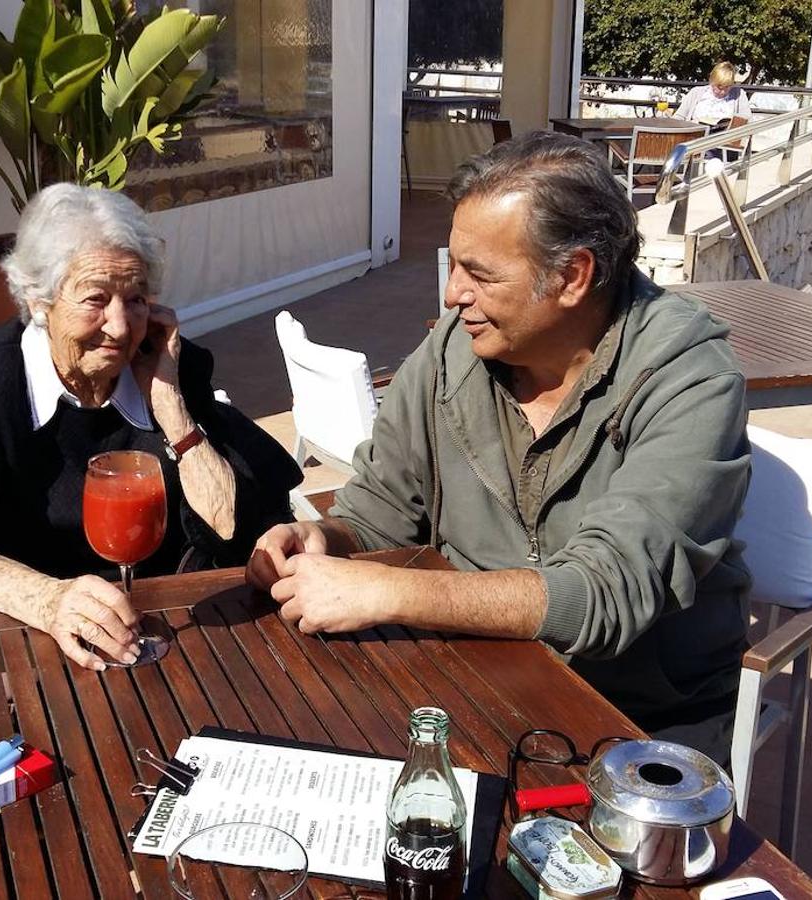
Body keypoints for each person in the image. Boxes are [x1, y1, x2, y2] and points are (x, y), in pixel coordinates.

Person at [245, 133, 752, 761]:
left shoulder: (689, 377)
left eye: (480, 274)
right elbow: (381, 510)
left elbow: (607, 591)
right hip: (473, 672)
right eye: (454, 265)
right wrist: (330, 541)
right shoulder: (454, 349)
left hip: (641, 711)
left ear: (572, 276)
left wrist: (392, 592)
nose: (453, 294)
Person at [0, 183, 302, 671]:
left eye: (136, 299)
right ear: (39, 300)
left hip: (167, 635)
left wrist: (169, 404)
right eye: (96, 298)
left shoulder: (170, 366)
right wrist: (49, 601)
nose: (119, 327)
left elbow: (230, 528)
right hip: (32, 641)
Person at [676, 62, 752, 128]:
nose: (723, 92)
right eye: (719, 87)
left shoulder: (739, 94)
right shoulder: (696, 92)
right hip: (696, 137)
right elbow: (679, 117)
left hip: (723, 140)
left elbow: (747, 118)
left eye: (727, 87)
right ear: (712, 81)